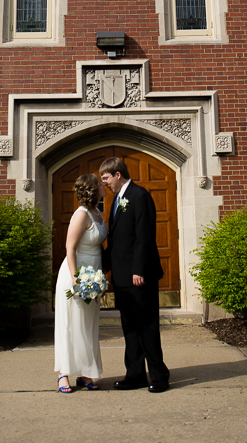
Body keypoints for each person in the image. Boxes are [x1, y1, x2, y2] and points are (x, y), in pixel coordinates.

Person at [100, 157, 170, 393]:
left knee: (147, 326)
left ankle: (159, 375)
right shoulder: (117, 200)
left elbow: (144, 236)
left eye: (106, 178)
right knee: (129, 327)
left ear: (118, 175)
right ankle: (135, 374)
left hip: (139, 276)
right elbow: (118, 241)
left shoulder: (140, 196)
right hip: (121, 277)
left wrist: (138, 269)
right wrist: (102, 267)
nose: (105, 183)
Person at [54, 172, 108, 393]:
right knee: (70, 324)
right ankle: (63, 373)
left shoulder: (98, 213)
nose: (105, 185)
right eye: (101, 184)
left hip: (93, 276)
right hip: (76, 275)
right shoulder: (81, 214)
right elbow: (70, 248)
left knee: (87, 326)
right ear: (94, 190)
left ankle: (85, 373)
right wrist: (76, 278)